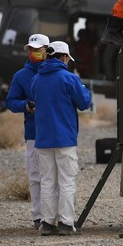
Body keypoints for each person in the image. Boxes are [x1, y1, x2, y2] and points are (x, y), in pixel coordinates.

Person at [32, 41, 92, 235]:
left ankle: (47, 223)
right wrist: (85, 89)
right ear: (64, 57)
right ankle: (66, 223)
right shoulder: (69, 78)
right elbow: (84, 103)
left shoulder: (36, 79)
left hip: (42, 138)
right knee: (66, 181)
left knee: (47, 181)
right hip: (64, 138)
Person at [5, 33, 50, 229]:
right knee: (35, 176)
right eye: (30, 49)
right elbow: (11, 101)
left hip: (54, 133)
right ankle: (38, 216)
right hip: (33, 133)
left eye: (37, 49)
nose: (33, 53)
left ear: (47, 50)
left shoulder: (58, 72)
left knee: (54, 177)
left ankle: (54, 215)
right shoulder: (21, 76)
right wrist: (26, 105)